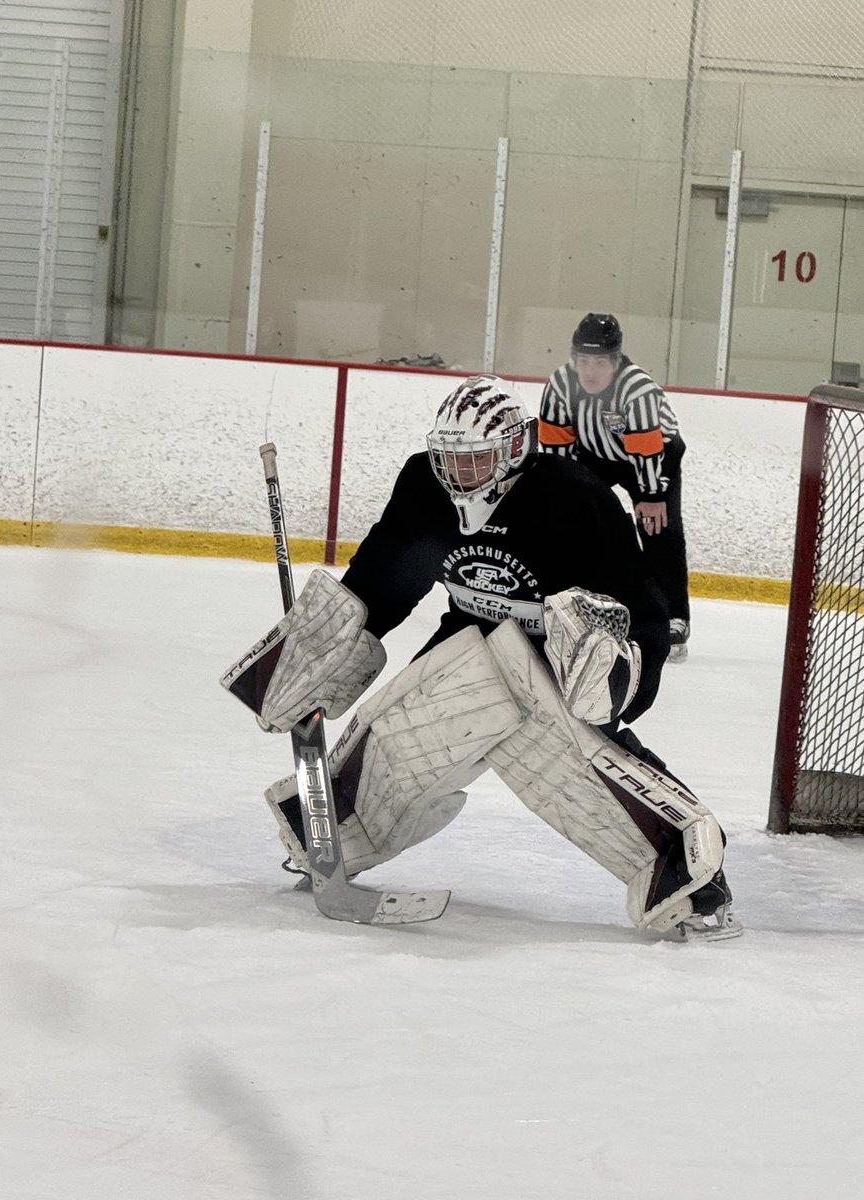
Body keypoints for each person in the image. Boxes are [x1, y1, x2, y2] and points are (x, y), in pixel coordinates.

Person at [222, 375, 739, 939]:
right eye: (448, 459)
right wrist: (317, 655)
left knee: (566, 762)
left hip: (554, 654)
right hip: (468, 632)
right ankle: (334, 838)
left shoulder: (573, 497)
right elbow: (384, 579)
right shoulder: (426, 486)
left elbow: (641, 607)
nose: (456, 475)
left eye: (473, 460)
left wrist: (623, 677)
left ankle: (688, 876)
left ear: (515, 448)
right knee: (399, 734)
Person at [540, 313, 691, 661]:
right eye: (583, 361)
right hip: (594, 455)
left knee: (659, 530)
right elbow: (555, 451)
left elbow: (647, 448)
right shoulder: (561, 383)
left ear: (616, 359)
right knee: (574, 523)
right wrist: (562, 499)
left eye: (600, 362)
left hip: (656, 456)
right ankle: (578, 604)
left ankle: (674, 616)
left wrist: (651, 496)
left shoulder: (637, 387)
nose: (590, 371)